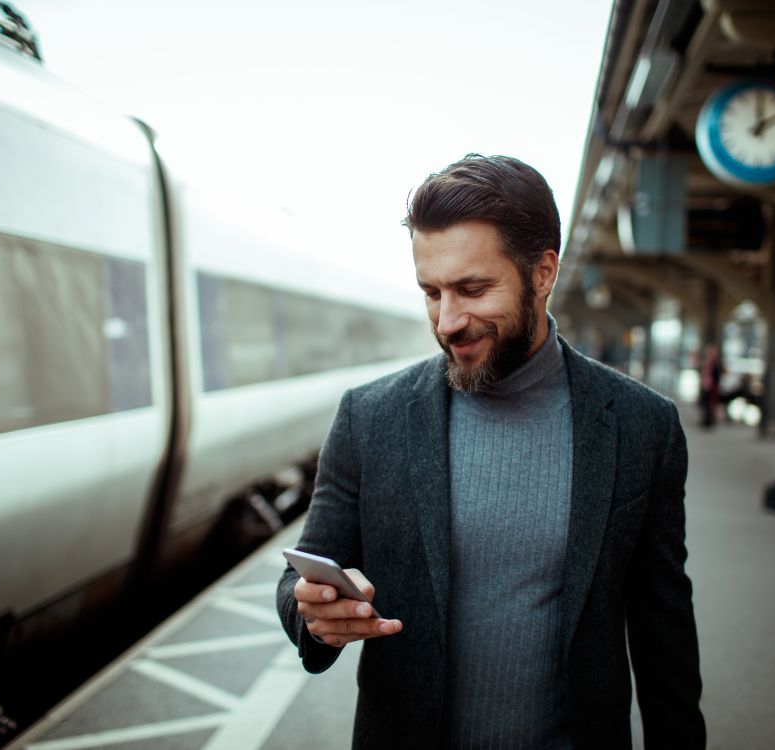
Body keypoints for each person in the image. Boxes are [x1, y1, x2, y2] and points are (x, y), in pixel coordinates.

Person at [276, 154, 706, 749]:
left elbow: (664, 628)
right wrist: (315, 615)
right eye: (432, 292)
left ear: (543, 273)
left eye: (472, 289)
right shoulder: (368, 417)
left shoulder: (642, 426)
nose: (448, 320)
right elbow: (303, 574)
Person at [698, 343, 723, 428]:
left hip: (711, 386)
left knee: (710, 404)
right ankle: (706, 420)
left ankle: (709, 420)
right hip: (706, 385)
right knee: (706, 403)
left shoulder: (715, 363)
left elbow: (716, 375)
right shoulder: (708, 362)